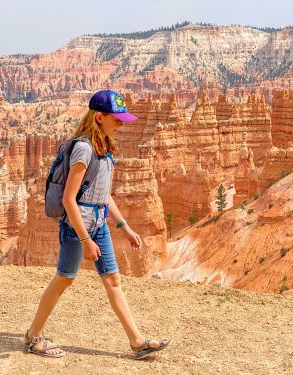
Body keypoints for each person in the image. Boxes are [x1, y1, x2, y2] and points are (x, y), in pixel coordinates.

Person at [24, 90, 172, 360]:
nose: (122, 123)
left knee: (113, 280)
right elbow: (69, 199)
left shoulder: (105, 147)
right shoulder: (84, 149)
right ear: (100, 117)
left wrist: (125, 227)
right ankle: (34, 336)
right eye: (117, 119)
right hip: (77, 226)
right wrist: (84, 240)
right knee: (65, 278)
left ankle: (137, 341)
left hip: (99, 224)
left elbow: (103, 196)